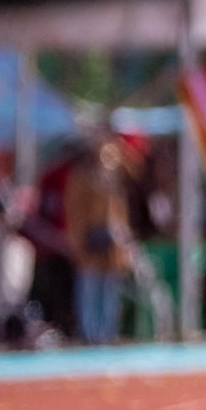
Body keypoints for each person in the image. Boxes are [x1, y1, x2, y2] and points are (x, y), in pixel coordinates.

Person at [64, 133, 137, 344]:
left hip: (112, 244)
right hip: (89, 240)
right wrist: (78, 242)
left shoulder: (113, 180)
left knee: (109, 290)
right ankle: (89, 333)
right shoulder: (81, 177)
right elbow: (75, 212)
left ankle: (107, 332)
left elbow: (133, 174)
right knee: (90, 288)